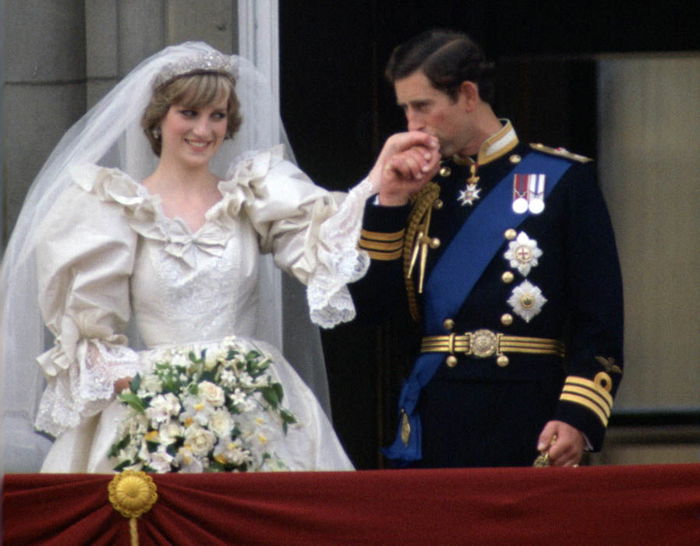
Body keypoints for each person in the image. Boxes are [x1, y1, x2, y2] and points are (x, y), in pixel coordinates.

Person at [0, 42, 437, 473]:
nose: (204, 130)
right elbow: (88, 337)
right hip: (152, 413)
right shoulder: (113, 207)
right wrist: (157, 397)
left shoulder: (254, 193)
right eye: (188, 113)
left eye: (217, 115)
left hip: (254, 404)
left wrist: (380, 182)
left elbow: (327, 246)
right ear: (157, 120)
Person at [350, 29, 624, 468]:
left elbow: (601, 319)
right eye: (405, 109)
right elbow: (373, 312)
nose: (411, 124)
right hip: (438, 416)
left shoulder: (563, 180)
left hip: (529, 415)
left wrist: (577, 415)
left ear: (467, 95)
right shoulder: (418, 189)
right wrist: (389, 203)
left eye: (423, 106)